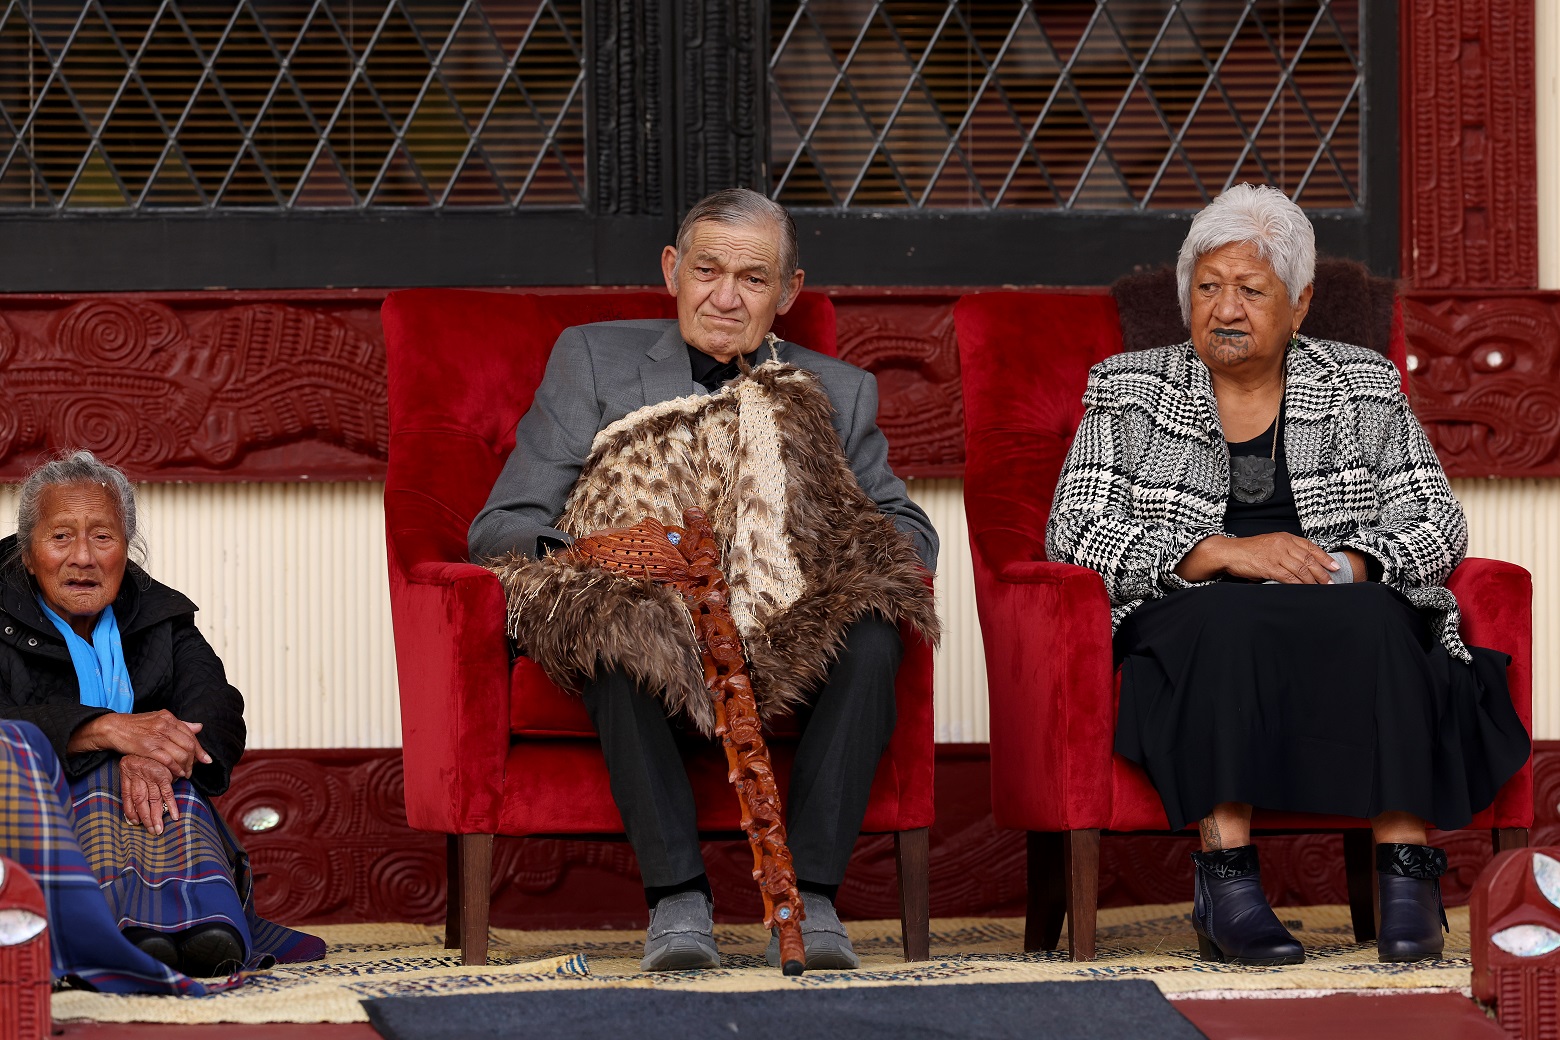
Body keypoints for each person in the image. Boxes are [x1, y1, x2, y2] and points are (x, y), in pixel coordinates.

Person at [1046, 184, 1529, 966]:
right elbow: (1075, 531)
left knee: (1382, 617)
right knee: (1227, 618)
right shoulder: (1129, 386)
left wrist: (1352, 565)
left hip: (1333, 603)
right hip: (1192, 604)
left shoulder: (1361, 382)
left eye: (1250, 290)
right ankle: (1227, 883)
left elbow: (1436, 524)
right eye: (1207, 288)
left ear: (1300, 304)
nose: (1225, 309)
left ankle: (1407, 880)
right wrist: (1220, 553)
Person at [471, 187, 938, 972]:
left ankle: (812, 896)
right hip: (645, 601)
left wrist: (815, 550)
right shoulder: (593, 359)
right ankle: (677, 899)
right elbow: (505, 522)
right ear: (671, 271)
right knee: (616, 634)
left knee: (871, 637)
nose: (725, 298)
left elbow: (909, 530)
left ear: (787, 292)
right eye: (707, 271)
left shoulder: (838, 389)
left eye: (753, 279)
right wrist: (623, 560)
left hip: (781, 617)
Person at [0, 450, 323, 993]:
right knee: (101, 780)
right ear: (29, 555)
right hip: (28, 826)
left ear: (127, 549)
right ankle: (125, 930)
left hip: (158, 801)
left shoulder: (157, 614)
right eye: (61, 538)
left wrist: (153, 751)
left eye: (103, 537)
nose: (83, 557)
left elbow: (216, 703)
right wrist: (105, 730)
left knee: (173, 784)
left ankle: (202, 927)